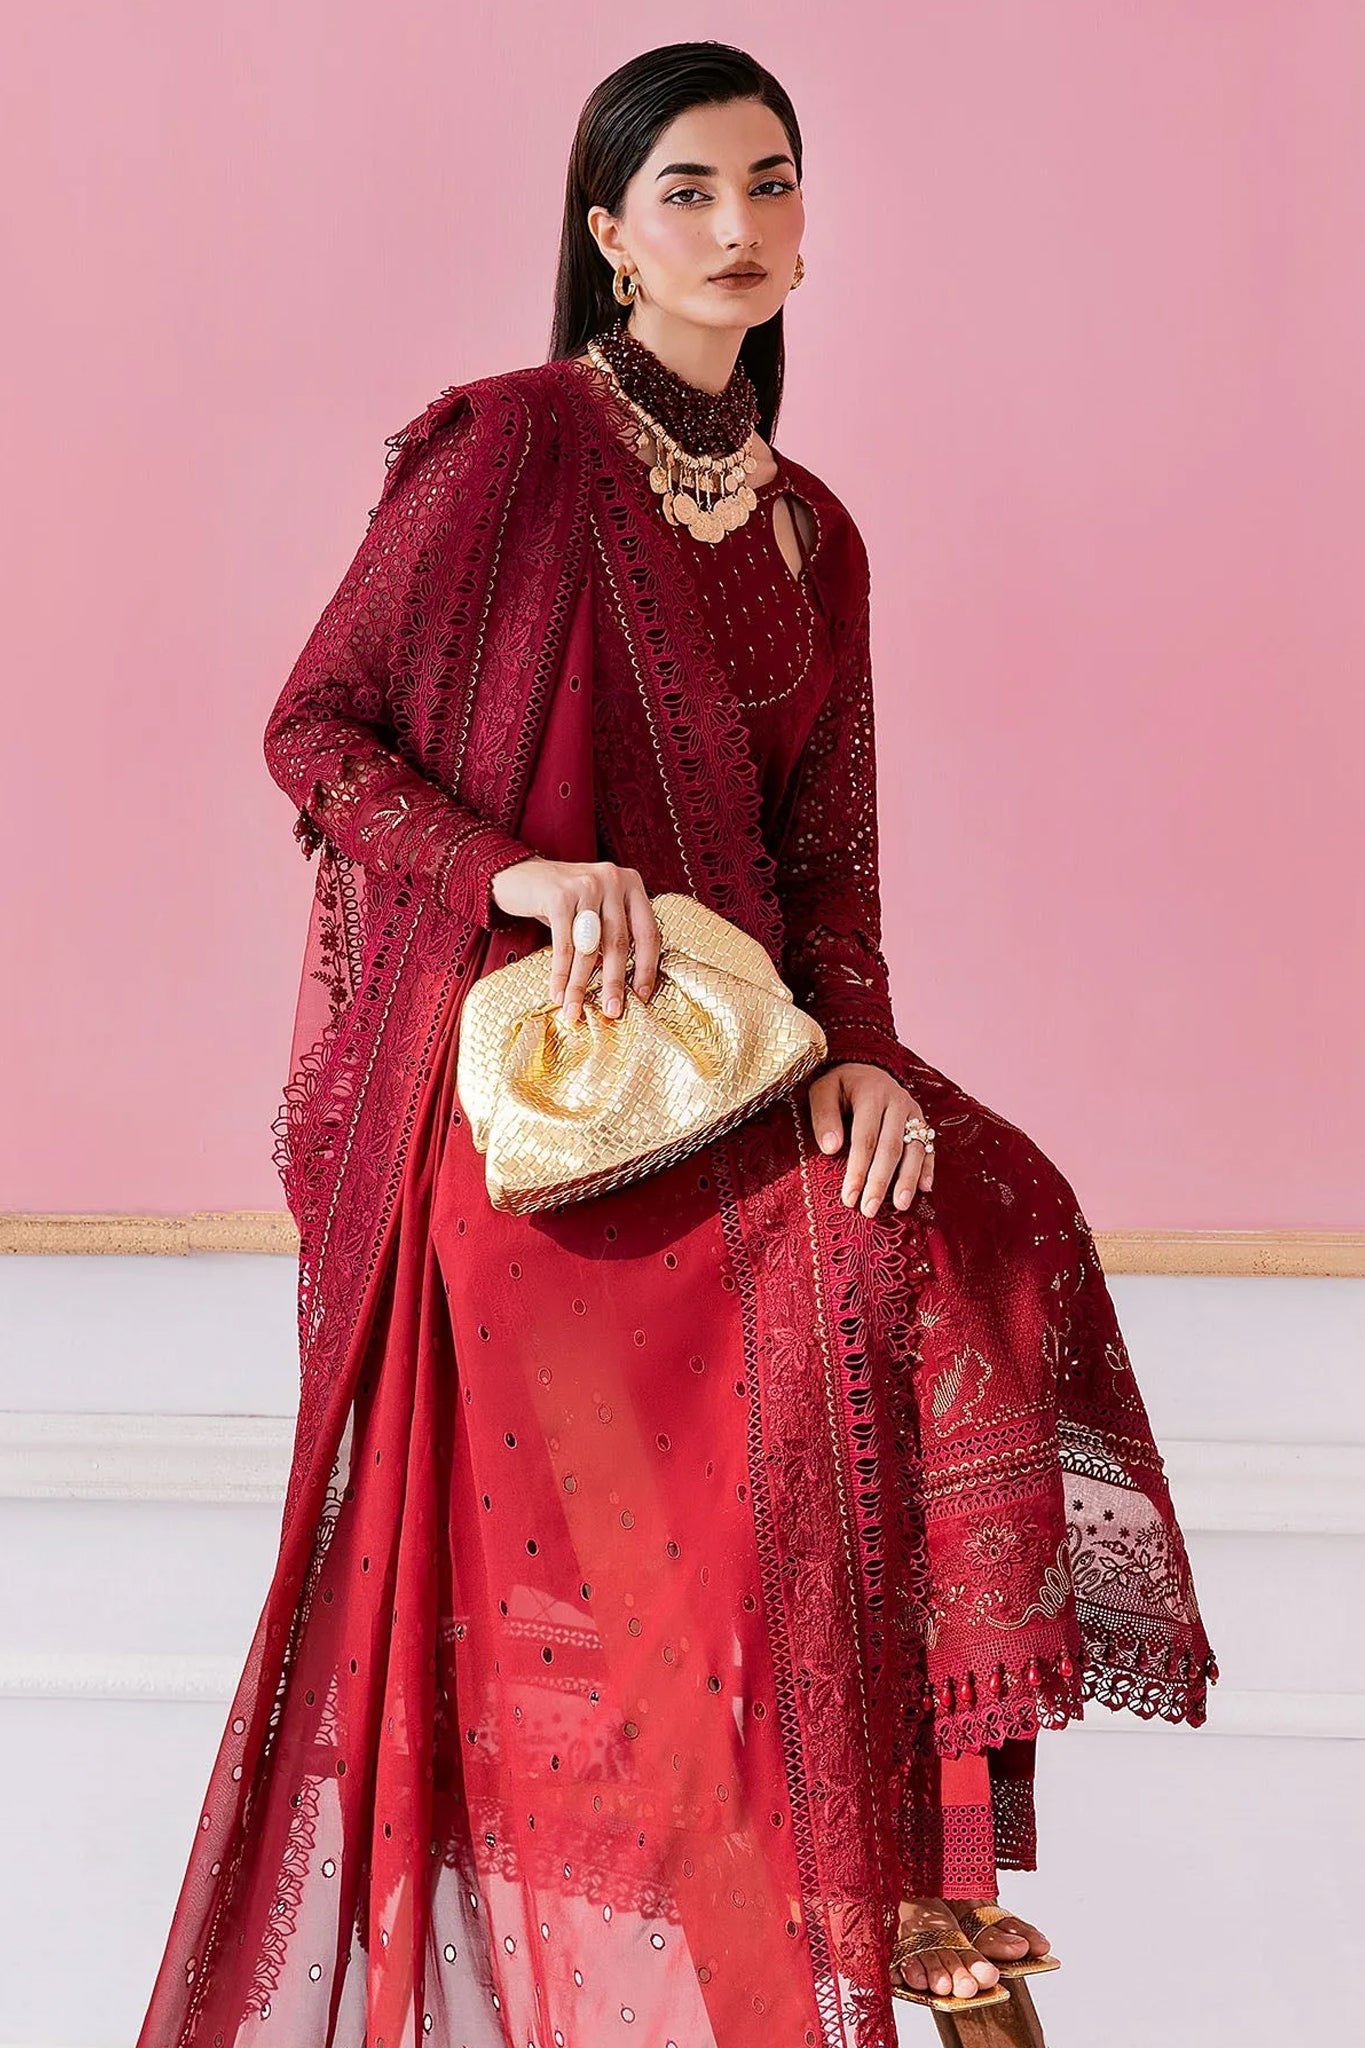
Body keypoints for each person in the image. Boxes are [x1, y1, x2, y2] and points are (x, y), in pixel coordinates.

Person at [135, 41, 1217, 2048]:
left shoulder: (812, 533)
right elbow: (314, 729)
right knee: (860, 1275)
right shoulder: (514, 449)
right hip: (535, 1103)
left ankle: (919, 1865)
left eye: (769, 185)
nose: (738, 227)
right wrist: (520, 877)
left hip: (744, 1062)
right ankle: (887, 1886)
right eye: (691, 193)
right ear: (609, 235)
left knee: (989, 1204)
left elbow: (828, 866)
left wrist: (861, 1055)